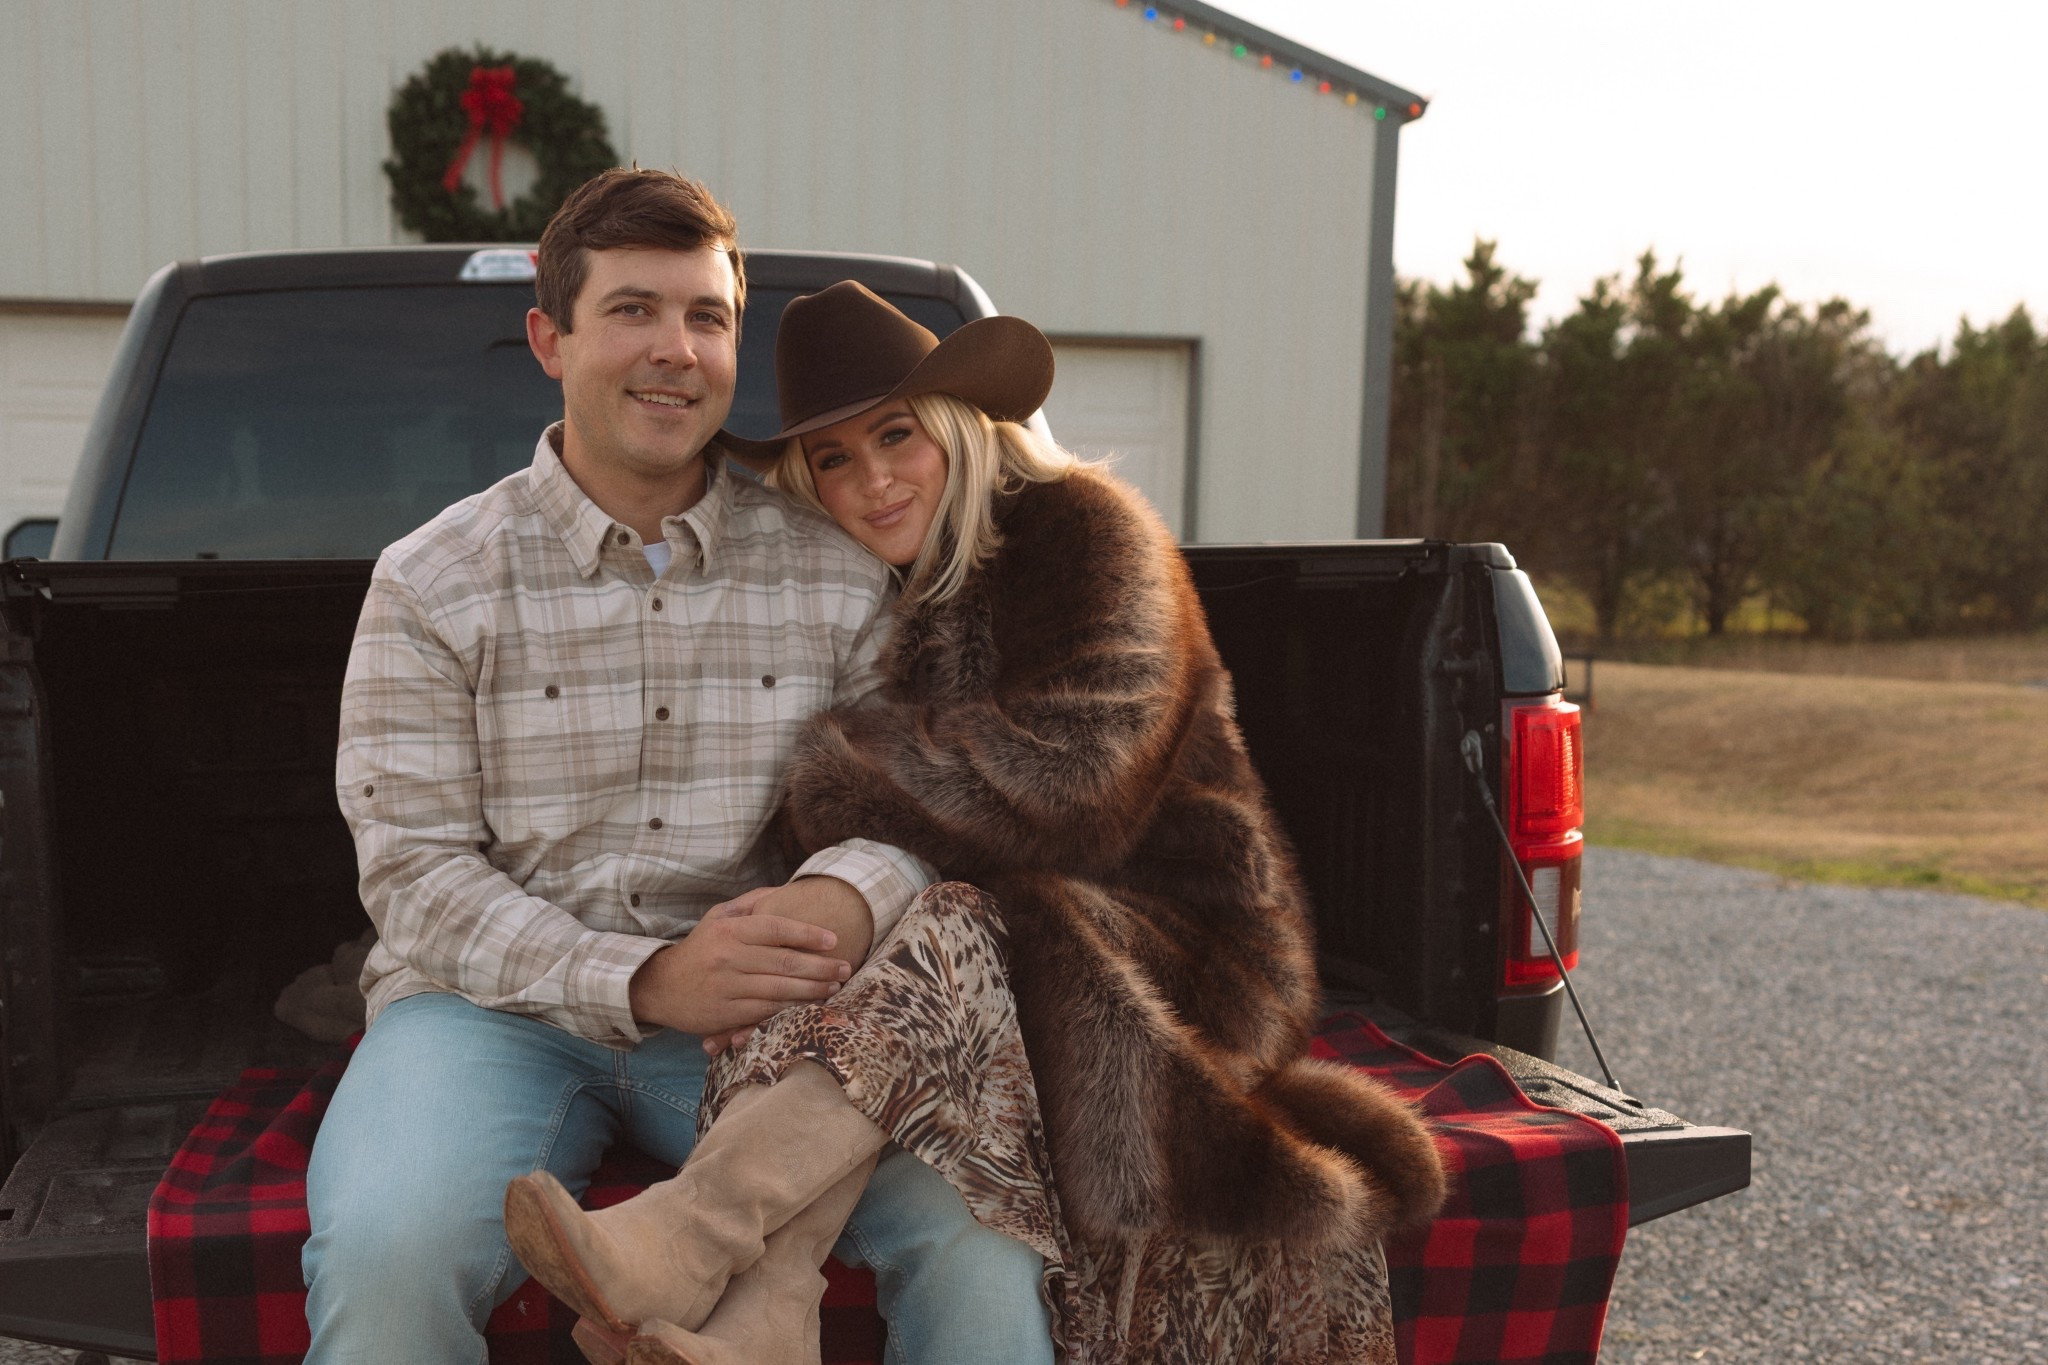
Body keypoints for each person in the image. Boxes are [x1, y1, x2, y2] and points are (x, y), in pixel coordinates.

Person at [515, 281, 1449, 1364]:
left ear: (959, 426)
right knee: (862, 930)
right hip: (996, 948)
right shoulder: (870, 586)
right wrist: (788, 948)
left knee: (946, 916)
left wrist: (831, 776)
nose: (870, 481)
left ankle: (696, 1233)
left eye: (896, 437)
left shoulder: (1084, 532)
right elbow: (862, 852)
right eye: (831, 459)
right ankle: (765, 1315)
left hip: (1182, 956)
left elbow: (1067, 779)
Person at [305, 172, 1055, 1365]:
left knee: (979, 1229)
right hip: (485, 1015)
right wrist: (646, 976)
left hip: (769, 1026)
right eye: (633, 311)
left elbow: (910, 802)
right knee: (387, 1249)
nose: (675, 350)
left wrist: (837, 896)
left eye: (705, 317)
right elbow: (414, 873)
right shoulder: (429, 579)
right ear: (551, 339)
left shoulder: (835, 572)